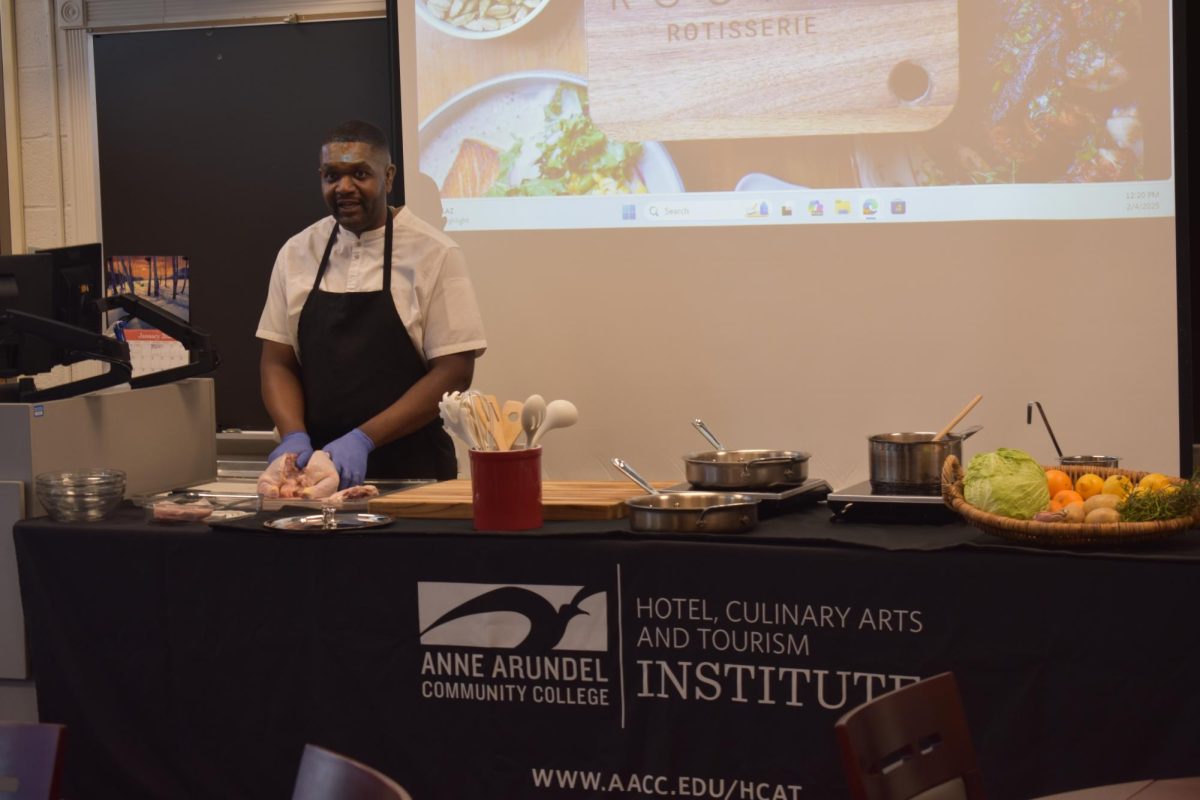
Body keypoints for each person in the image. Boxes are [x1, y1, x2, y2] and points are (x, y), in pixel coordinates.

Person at [256, 120, 485, 487]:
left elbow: (455, 369)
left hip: (414, 474)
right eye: (332, 176)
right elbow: (277, 361)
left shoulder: (436, 253)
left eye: (360, 174)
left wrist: (364, 439)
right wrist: (294, 435)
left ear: (389, 176)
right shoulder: (296, 253)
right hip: (316, 475)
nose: (344, 187)